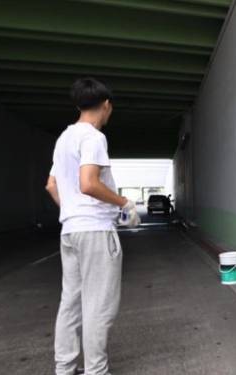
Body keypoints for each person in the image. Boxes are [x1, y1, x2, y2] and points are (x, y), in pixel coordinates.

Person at [45, 77, 140, 375]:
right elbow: (88, 183)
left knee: (71, 303)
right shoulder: (93, 138)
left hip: (70, 231)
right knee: (99, 306)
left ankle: (65, 368)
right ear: (106, 105)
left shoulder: (64, 138)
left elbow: (51, 185)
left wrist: (73, 211)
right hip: (96, 232)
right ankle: (96, 371)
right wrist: (123, 203)